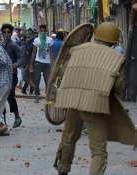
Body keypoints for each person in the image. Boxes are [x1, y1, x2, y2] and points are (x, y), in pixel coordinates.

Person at [53, 22, 125, 175]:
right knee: (99, 151)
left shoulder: (76, 50)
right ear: (114, 41)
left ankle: (63, 169)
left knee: (68, 137)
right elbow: (118, 87)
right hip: (94, 104)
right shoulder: (116, 58)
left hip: (72, 100)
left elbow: (63, 72)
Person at [1, 23, 23, 128]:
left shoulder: (14, 45)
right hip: (1, 75)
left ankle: (17, 117)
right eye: (4, 32)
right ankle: (3, 121)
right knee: (2, 98)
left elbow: (20, 59)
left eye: (8, 32)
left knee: (10, 96)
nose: (6, 34)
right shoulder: (0, 45)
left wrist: (14, 65)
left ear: (11, 33)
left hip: (12, 75)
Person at [30, 24, 54, 103]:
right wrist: (31, 65)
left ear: (46, 31)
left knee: (48, 80)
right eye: (41, 30)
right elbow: (33, 53)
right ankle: (37, 96)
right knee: (37, 80)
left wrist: (52, 63)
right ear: (39, 31)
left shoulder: (50, 40)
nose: (43, 32)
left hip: (47, 63)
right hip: (38, 62)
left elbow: (51, 52)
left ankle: (48, 96)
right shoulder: (36, 40)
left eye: (44, 30)